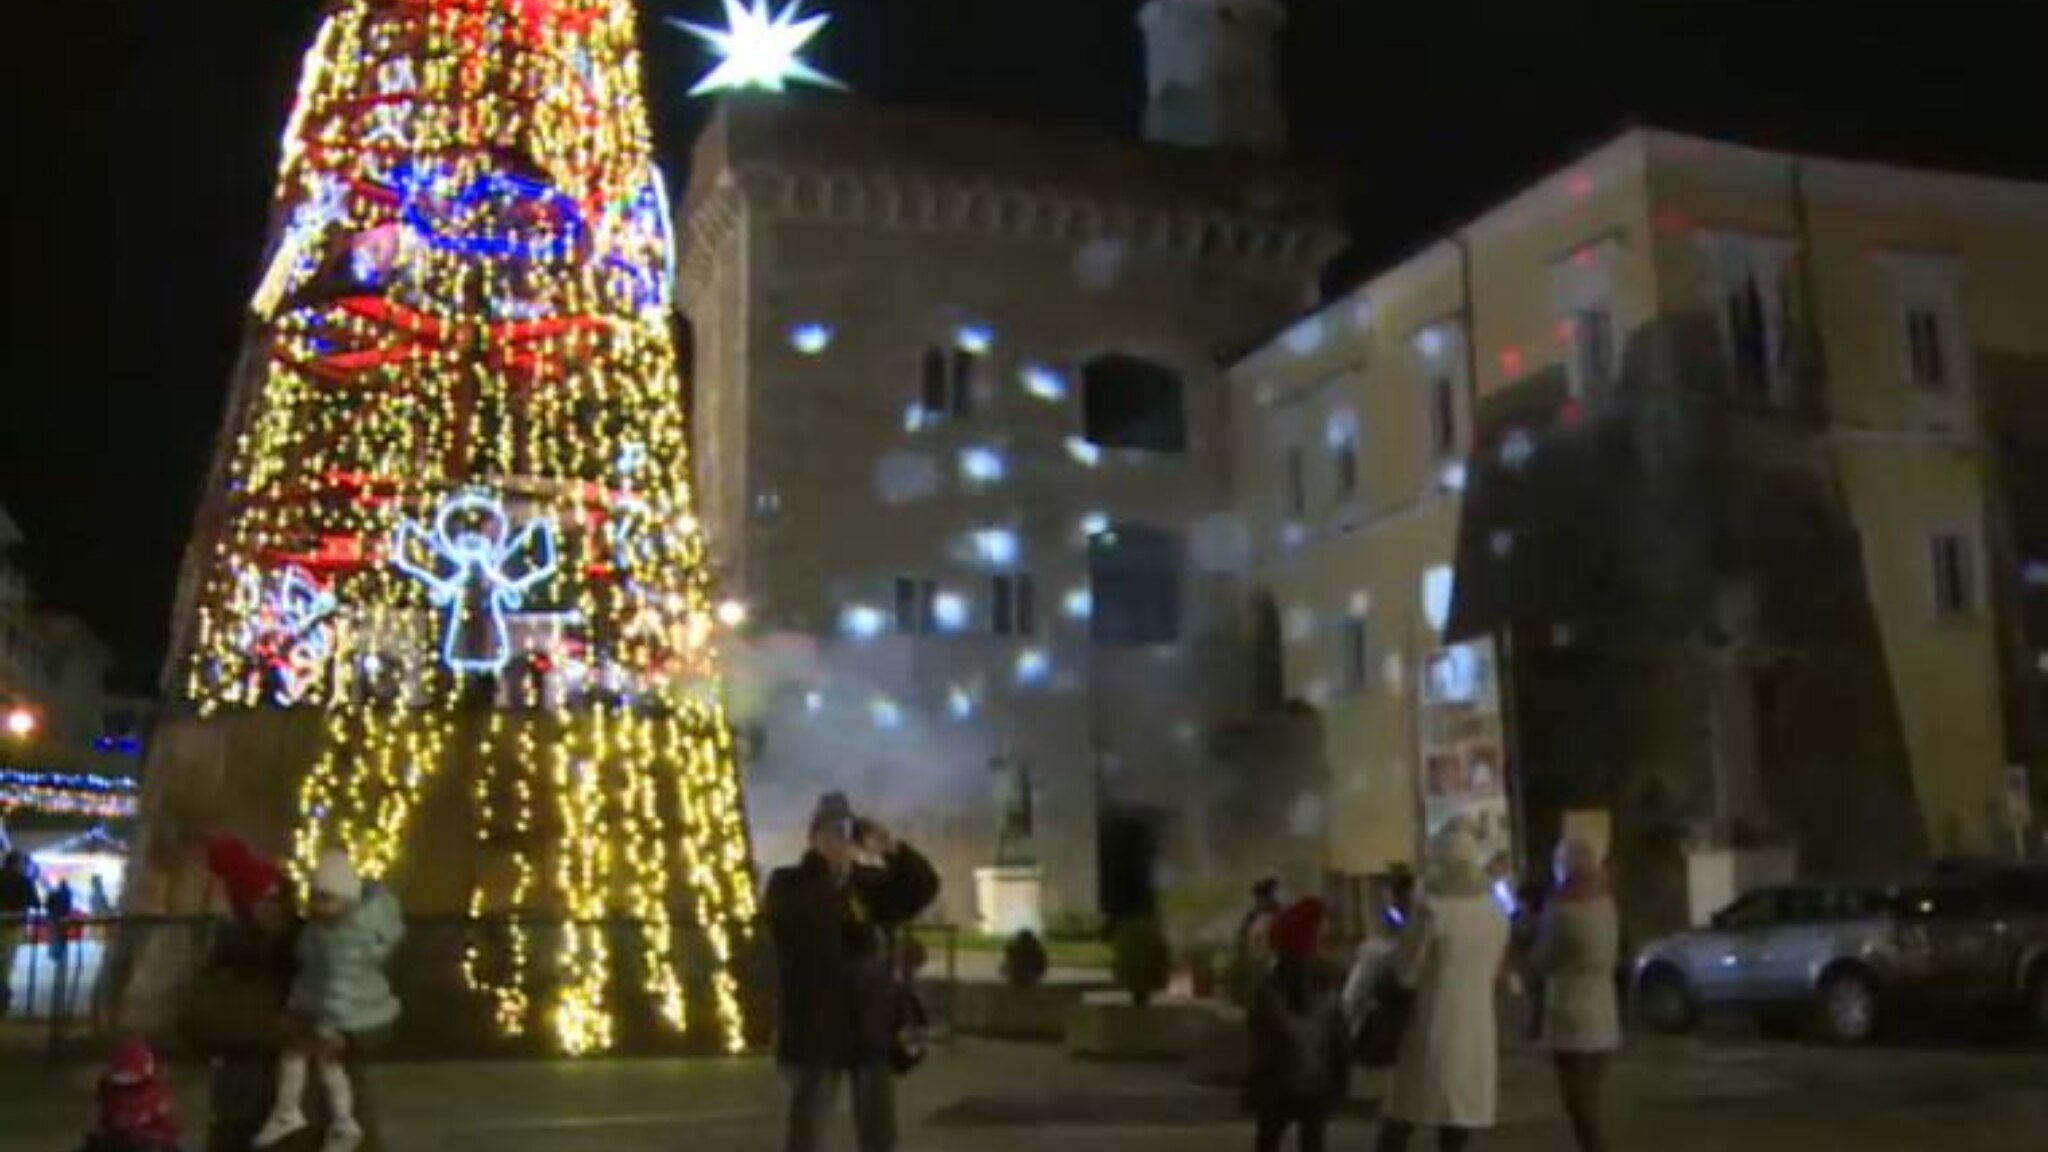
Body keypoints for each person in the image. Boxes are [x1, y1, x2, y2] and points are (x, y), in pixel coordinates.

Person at [765, 791, 940, 1152]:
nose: (838, 842)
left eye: (845, 832)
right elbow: (801, 920)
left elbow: (923, 887)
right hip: (817, 1026)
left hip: (870, 1023)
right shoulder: (789, 883)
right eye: (829, 833)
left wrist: (889, 847)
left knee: (879, 1130)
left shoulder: (868, 886)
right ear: (813, 839)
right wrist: (836, 879)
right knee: (808, 1127)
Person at [254, 850, 402, 1152]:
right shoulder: (327, 930)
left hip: (336, 1015)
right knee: (321, 1064)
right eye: (315, 897)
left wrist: (328, 1025)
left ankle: (315, 1117)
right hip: (333, 1012)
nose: (317, 905)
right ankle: (334, 1121)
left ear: (345, 901)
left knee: (317, 1060)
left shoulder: (341, 939)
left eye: (325, 898)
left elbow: (337, 985)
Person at [1376, 824, 1512, 1152]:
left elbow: (1406, 972)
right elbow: (1494, 970)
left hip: (1430, 1023)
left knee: (1404, 1111)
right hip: (1477, 1026)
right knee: (1458, 1120)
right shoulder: (1495, 913)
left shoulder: (1431, 909)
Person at [1532, 839, 1622, 1152]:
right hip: (1604, 1009)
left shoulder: (1562, 909)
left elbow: (1543, 960)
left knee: (1577, 1101)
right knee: (1591, 1097)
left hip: (1570, 1010)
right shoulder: (1606, 904)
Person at [1246, 898, 1348, 1152]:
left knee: (1268, 1139)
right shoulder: (1328, 982)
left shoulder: (1268, 988)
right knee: (1313, 1142)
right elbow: (1340, 1040)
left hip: (1276, 1084)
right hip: (1316, 1082)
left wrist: (1252, 1087)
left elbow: (1259, 1046)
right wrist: (1340, 1083)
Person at [78, 1036, 181, 1152]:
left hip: (148, 1141)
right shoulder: (110, 1088)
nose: (126, 1084)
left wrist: (141, 1126)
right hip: (114, 1140)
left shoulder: (157, 1092)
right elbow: (100, 1118)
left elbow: (169, 1125)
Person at [0, 850, 38, 1018]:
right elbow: (35, 903)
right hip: (12, 928)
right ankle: (2, 1003)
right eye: (24, 863)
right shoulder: (24, 880)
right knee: (5, 968)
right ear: (18, 864)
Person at [1233, 877, 1283, 1003]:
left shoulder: (1277, 913)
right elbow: (1243, 934)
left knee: (1265, 984)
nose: (1259, 901)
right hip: (1258, 956)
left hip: (1271, 956)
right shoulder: (1254, 914)